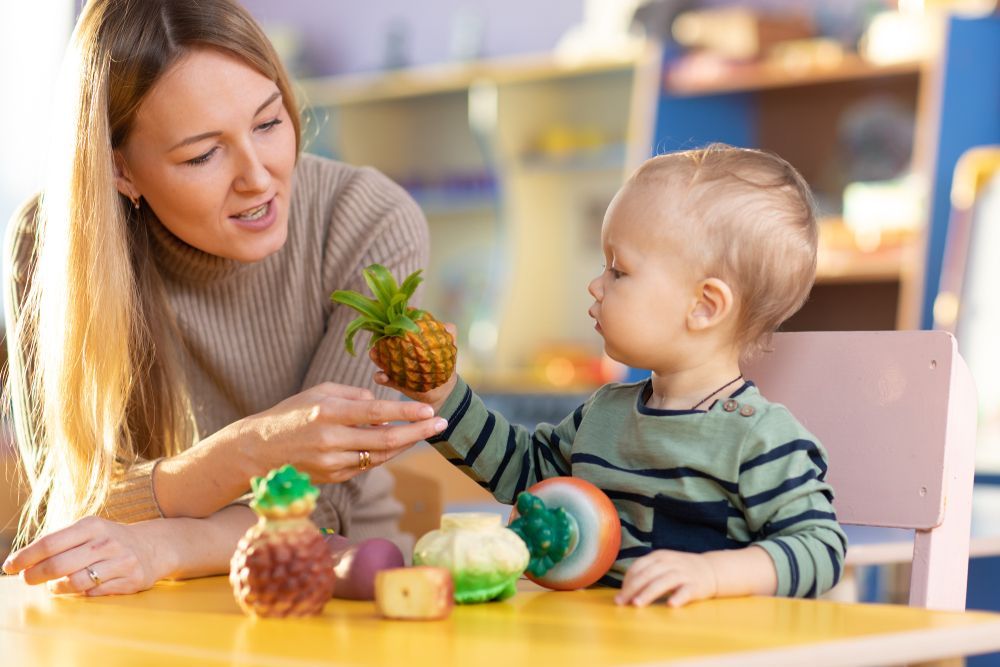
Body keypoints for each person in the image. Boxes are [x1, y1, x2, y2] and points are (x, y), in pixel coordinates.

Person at [1, 0, 447, 596]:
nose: (258, 178)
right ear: (120, 172)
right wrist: (250, 448)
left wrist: (164, 543)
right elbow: (73, 493)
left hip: (333, 584)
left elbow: (319, 504)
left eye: (268, 123)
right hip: (132, 594)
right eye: (202, 155)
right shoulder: (52, 241)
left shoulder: (366, 221)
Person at [379, 144, 847, 608]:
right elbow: (521, 472)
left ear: (704, 306)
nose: (596, 284)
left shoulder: (760, 439)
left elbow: (821, 549)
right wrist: (443, 396)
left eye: (619, 271)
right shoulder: (602, 415)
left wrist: (713, 573)